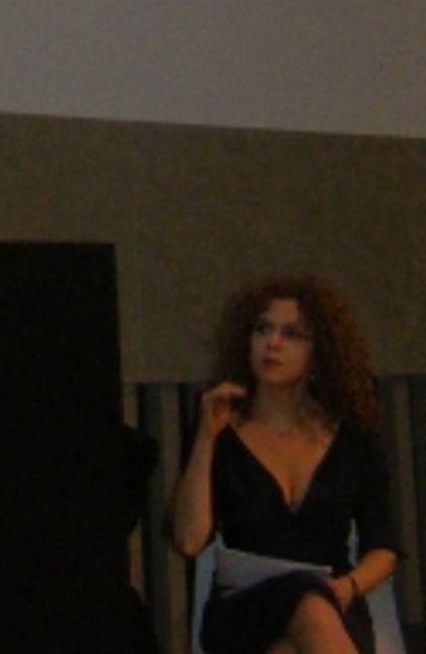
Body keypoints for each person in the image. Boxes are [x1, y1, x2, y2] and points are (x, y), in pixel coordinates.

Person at [168, 276, 399, 654]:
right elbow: (190, 541)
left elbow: (383, 547)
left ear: (318, 353)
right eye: (263, 329)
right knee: (304, 601)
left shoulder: (353, 436)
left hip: (334, 600)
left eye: (292, 334)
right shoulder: (221, 431)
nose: (272, 343)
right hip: (245, 606)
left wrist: (349, 586)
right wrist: (206, 438)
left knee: (294, 636)